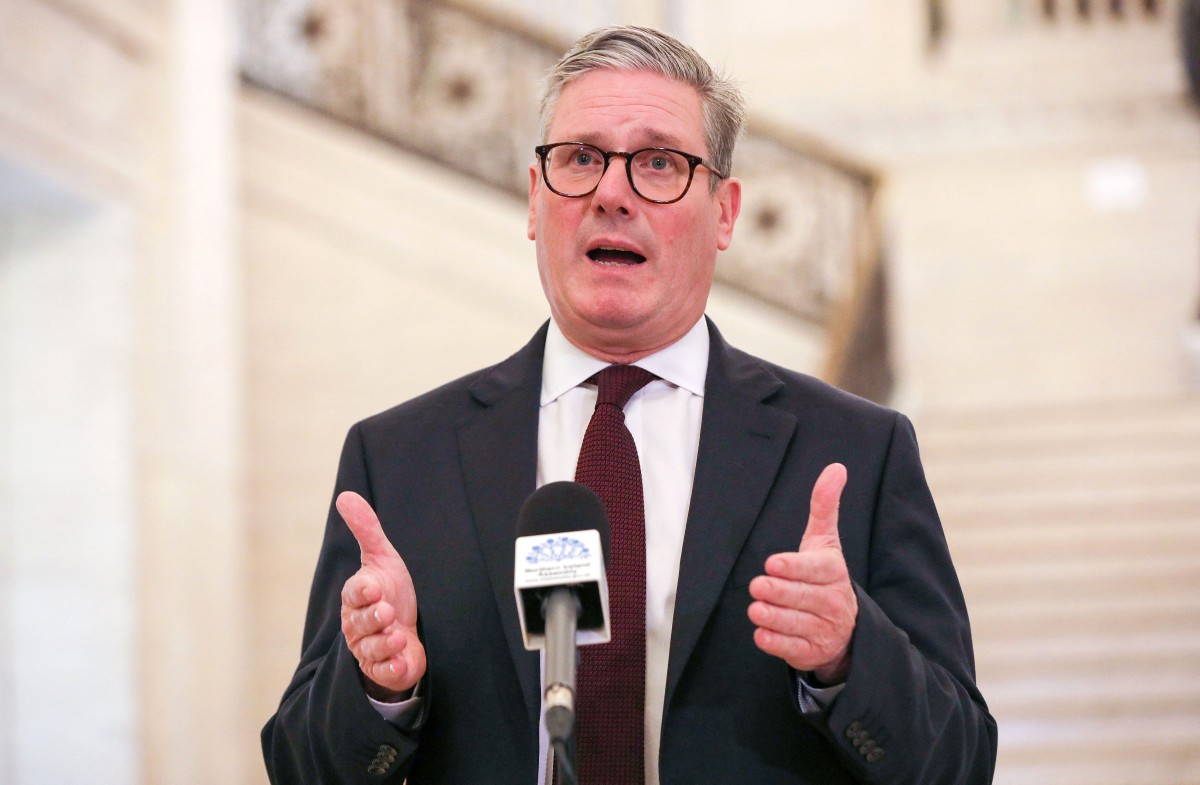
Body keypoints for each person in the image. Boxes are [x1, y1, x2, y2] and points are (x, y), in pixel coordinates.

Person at [262, 25, 997, 785]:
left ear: (724, 213)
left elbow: (960, 761)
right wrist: (380, 689)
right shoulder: (401, 461)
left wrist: (849, 655)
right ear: (534, 198)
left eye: (659, 163)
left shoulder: (852, 451)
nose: (611, 194)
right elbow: (300, 766)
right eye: (580, 158)